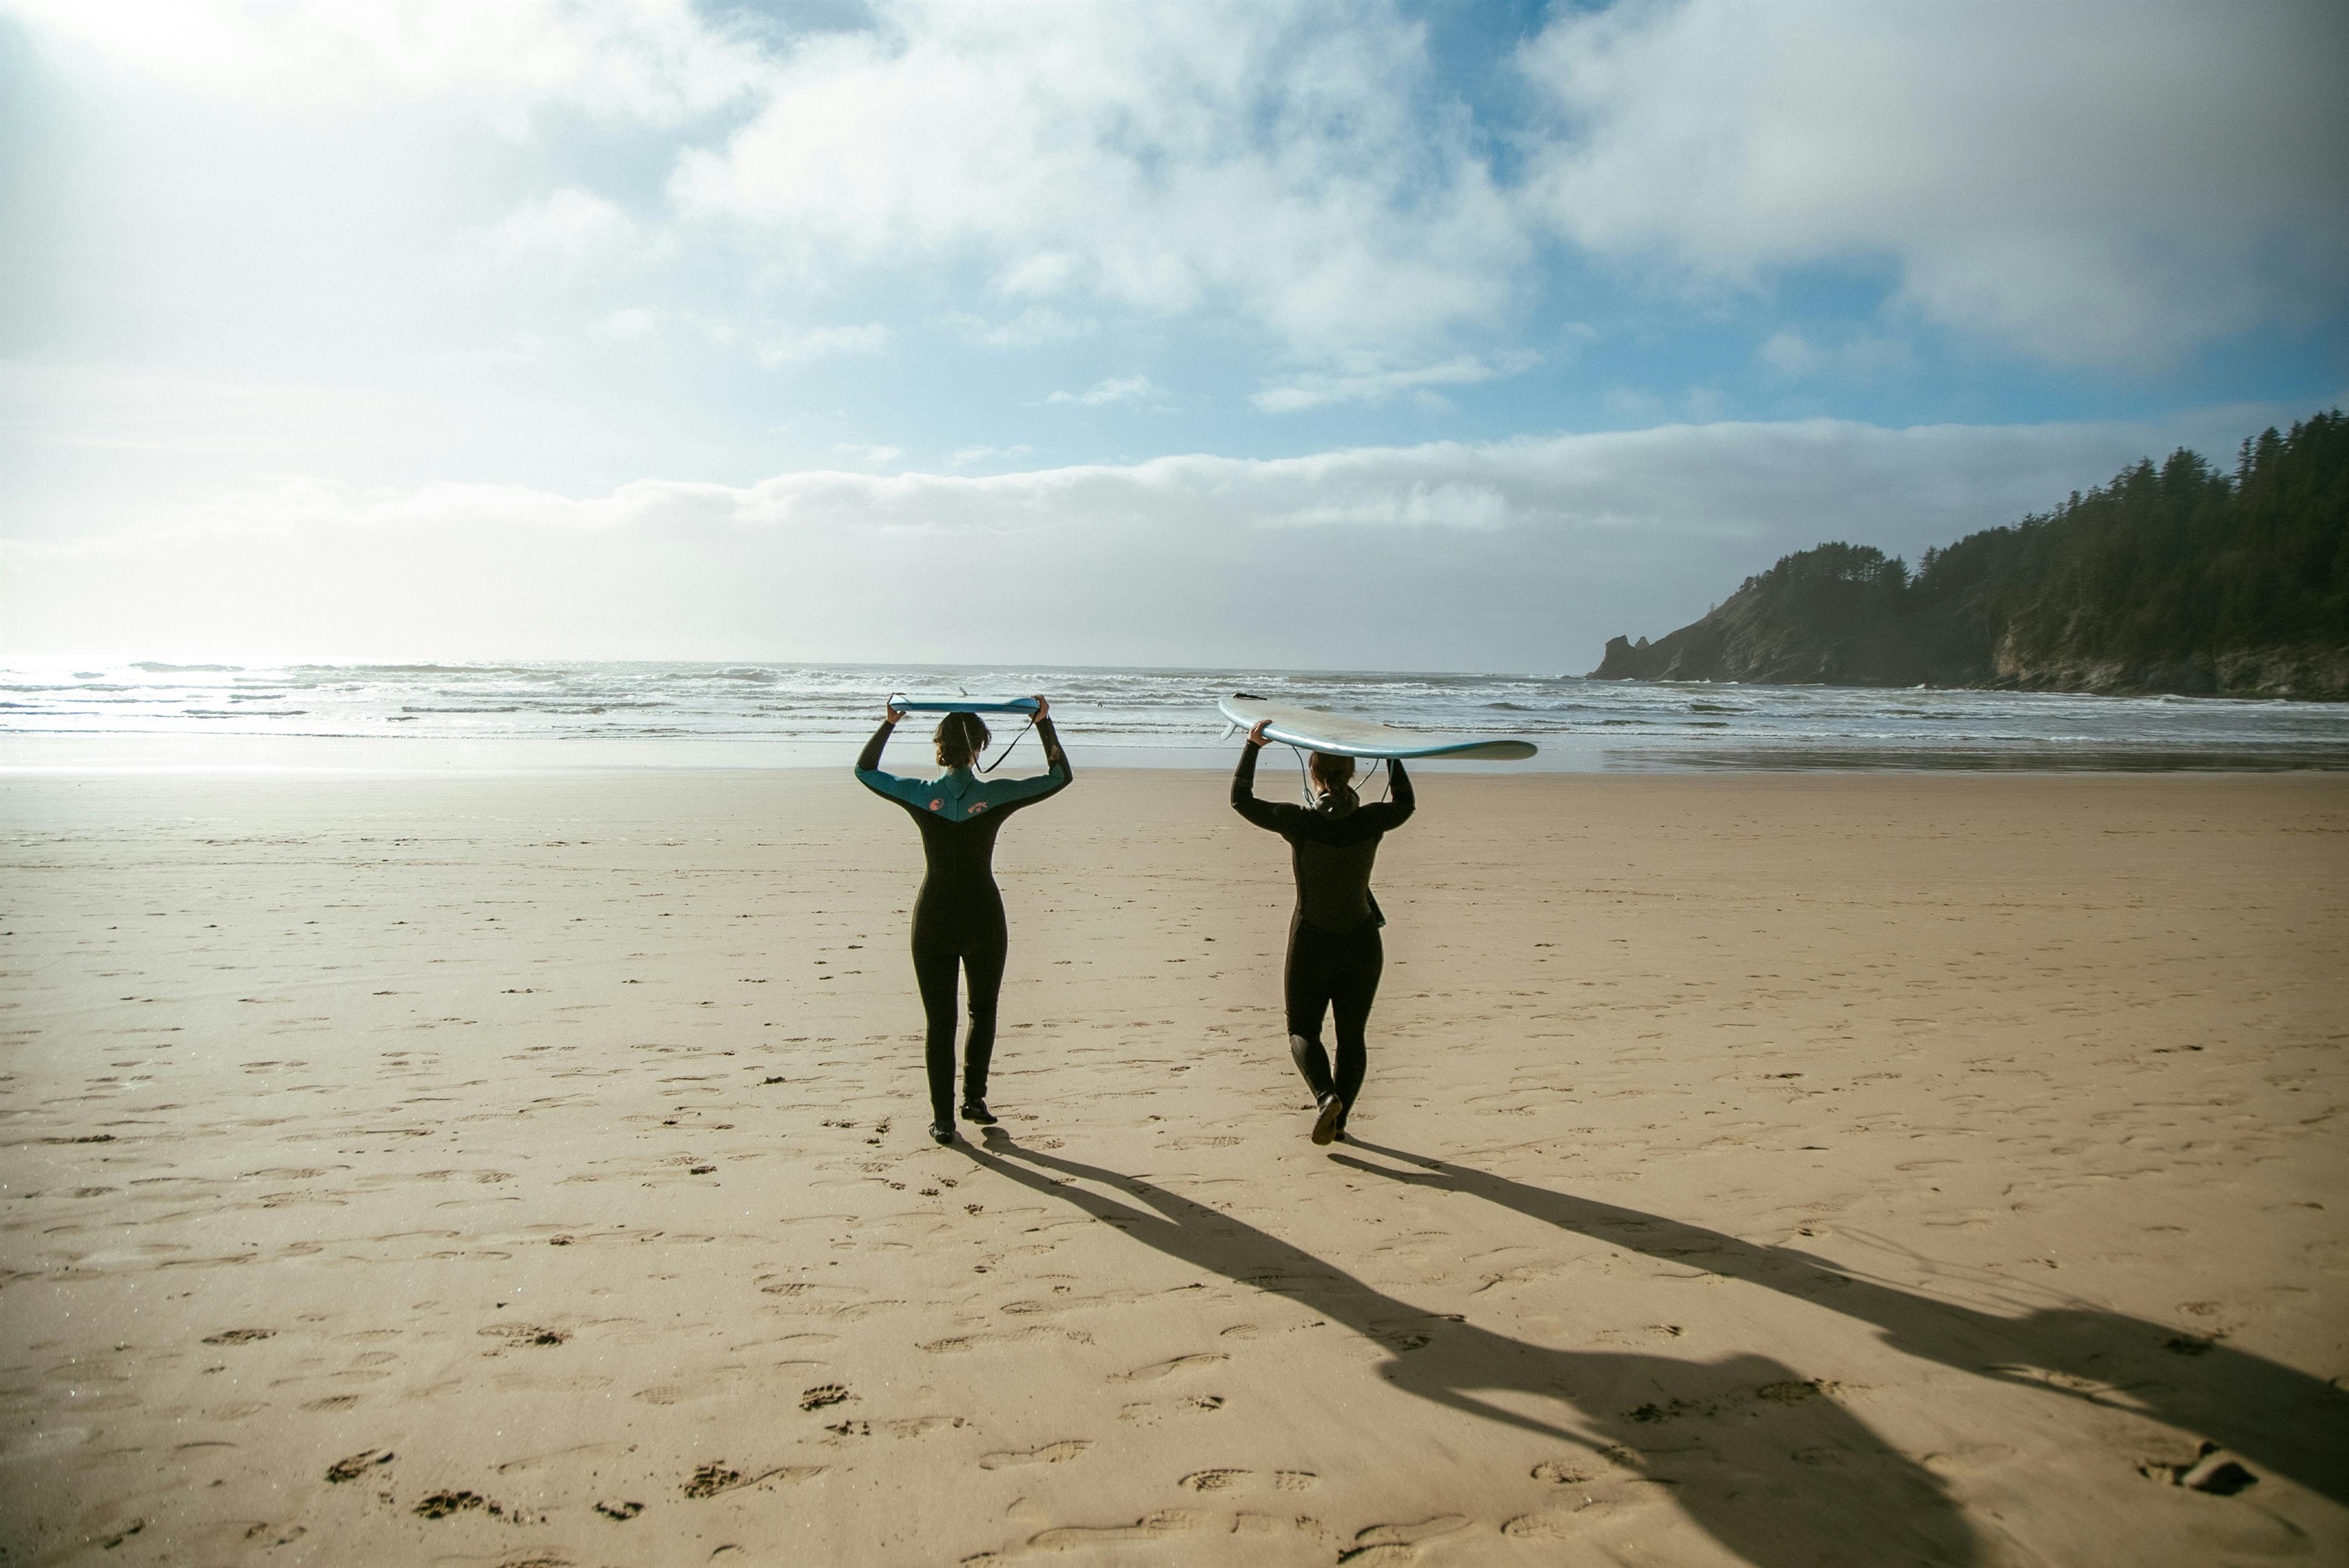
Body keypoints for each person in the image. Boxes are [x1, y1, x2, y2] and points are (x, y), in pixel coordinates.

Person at [856, 699, 1071, 1145]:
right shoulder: (995, 795)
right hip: (983, 917)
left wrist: (889, 722)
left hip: (932, 917)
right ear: (981, 748)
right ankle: (973, 1100)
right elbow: (1058, 777)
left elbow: (865, 771)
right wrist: (1043, 723)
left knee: (940, 1022)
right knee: (983, 1011)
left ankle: (944, 1120)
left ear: (939, 747)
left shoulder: (917, 792)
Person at [1231, 721, 1414, 1144]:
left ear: (1314, 775)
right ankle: (1342, 1120)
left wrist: (1253, 746)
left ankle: (1326, 1096)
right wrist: (1394, 755)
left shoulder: (1297, 822)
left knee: (1302, 1031)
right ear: (1351, 773)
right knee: (1351, 1036)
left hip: (1312, 940)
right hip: (1363, 940)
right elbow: (1405, 803)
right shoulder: (1373, 820)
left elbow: (1241, 800)